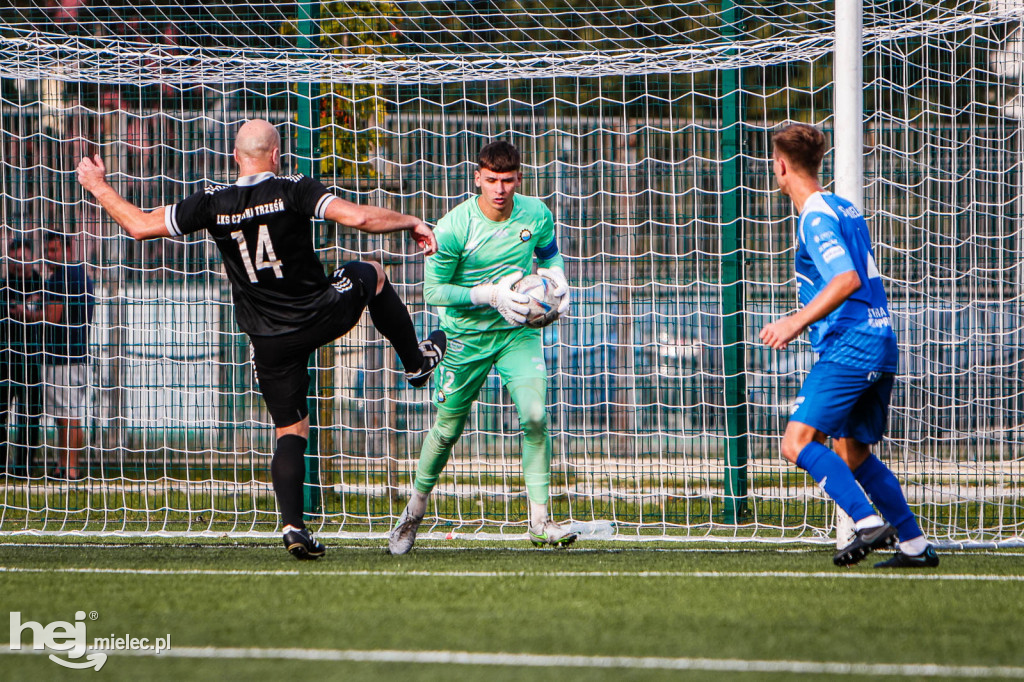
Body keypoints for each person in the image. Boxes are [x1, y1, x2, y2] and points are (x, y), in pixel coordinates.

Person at [76, 118, 445, 560]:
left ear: (236, 157)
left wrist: (97, 185)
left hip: (269, 338)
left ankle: (292, 525)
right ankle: (416, 363)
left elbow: (137, 225)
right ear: (276, 155)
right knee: (372, 273)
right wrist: (412, 222)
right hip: (320, 314)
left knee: (290, 430)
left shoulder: (212, 202)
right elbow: (360, 217)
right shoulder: (292, 187)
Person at [759, 123, 938, 568]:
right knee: (852, 452)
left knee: (795, 443)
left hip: (850, 346)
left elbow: (846, 279)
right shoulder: (844, 207)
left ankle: (863, 522)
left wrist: (795, 322)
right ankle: (914, 546)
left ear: (780, 166)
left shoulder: (816, 216)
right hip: (880, 340)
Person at [389, 140, 574, 555]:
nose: (499, 189)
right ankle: (412, 516)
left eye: (507, 180)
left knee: (536, 415)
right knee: (448, 429)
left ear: (519, 179)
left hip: (516, 334)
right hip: (465, 337)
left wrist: (559, 282)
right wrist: (489, 295)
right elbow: (433, 291)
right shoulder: (454, 227)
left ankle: (541, 522)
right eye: (491, 180)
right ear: (477, 178)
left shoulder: (536, 213)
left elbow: (549, 256)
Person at [17, 231, 95, 481]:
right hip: (80, 355)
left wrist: (25, 312)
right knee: (69, 415)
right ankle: (66, 465)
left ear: (68, 250)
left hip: (63, 358)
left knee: (67, 416)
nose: (50, 256)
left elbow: (53, 317)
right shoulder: (82, 275)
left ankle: (69, 469)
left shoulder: (59, 278)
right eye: (48, 251)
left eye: (55, 250)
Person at [0, 237, 45, 476]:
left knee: (30, 413)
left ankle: (24, 466)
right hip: (5, 360)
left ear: (32, 259)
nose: (19, 264)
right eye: (15, 259)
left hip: (33, 358)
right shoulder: (4, 286)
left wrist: (24, 311)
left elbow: (47, 314)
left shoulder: (42, 285)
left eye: (24, 259)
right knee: (2, 412)